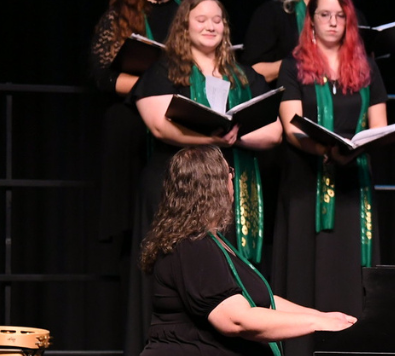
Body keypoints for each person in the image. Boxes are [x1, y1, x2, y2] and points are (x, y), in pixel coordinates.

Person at [128, 0, 283, 356]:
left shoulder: (244, 74)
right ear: (184, 25)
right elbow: (159, 125)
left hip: (233, 186)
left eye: (218, 20)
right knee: (181, 270)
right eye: (201, 19)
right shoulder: (165, 70)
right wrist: (211, 136)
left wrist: (232, 134)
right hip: (177, 186)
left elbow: (274, 131)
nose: (211, 25)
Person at [139, 146, 354, 356]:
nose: (233, 178)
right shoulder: (192, 245)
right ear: (214, 186)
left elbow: (262, 300)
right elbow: (235, 319)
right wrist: (317, 323)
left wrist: (325, 317)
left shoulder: (211, 242)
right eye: (229, 172)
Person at [273, 0, 387, 356]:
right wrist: (325, 148)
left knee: (347, 270)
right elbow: (291, 125)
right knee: (307, 269)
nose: (333, 22)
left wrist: (353, 149)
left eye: (340, 16)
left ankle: (352, 345)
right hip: (307, 179)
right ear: (312, 20)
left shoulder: (366, 65)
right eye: (325, 15)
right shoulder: (293, 65)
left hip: (353, 180)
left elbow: (379, 124)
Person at [89, 0, 183, 244]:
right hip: (132, 125)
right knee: (134, 227)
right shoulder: (119, 16)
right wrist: (152, 87)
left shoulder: (190, 14)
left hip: (181, 119)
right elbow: (103, 77)